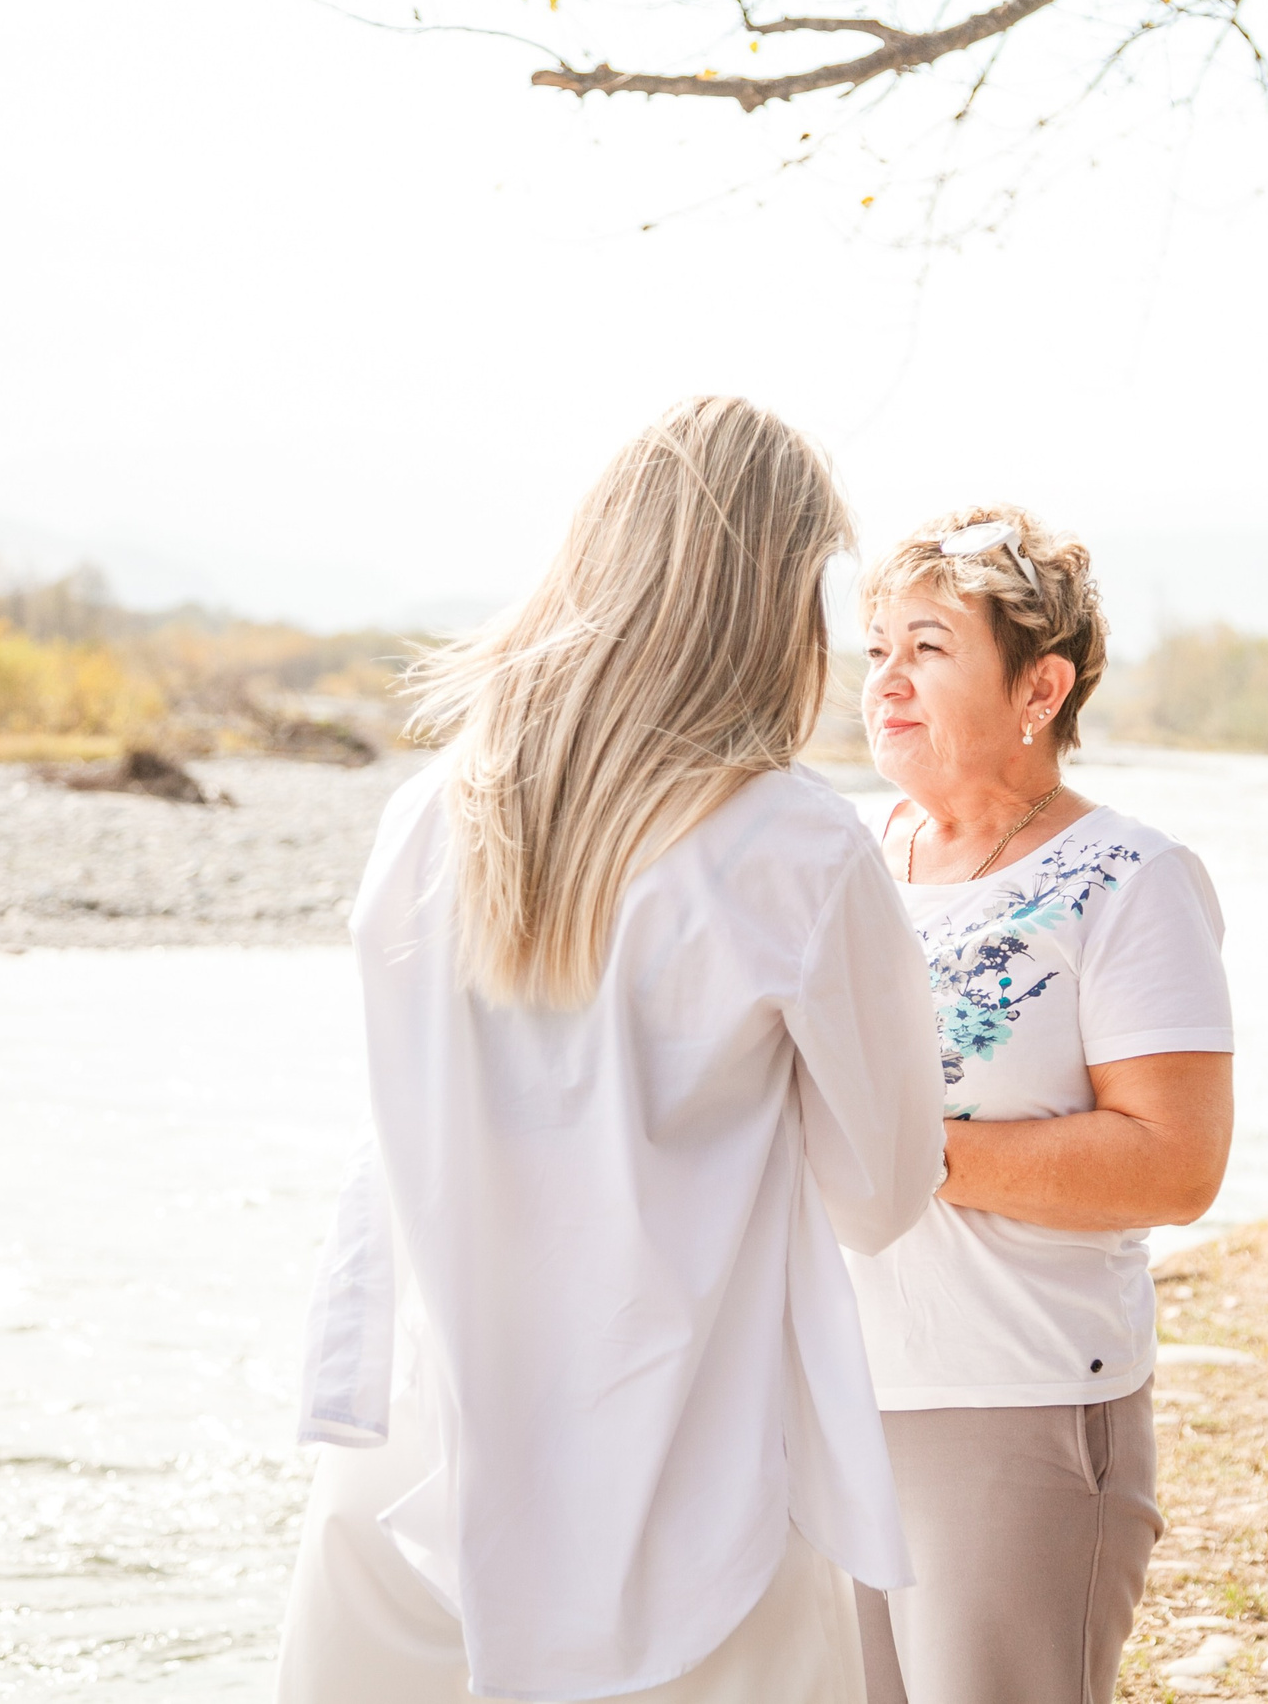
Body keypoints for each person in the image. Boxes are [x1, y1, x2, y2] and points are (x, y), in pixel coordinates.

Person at [275, 397, 948, 1704]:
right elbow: (882, 1194)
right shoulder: (794, 843)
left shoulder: (431, 812)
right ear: (777, 599)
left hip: (412, 1471)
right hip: (692, 1492)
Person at [848, 507, 1237, 1704]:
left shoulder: (1128, 880)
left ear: (1041, 686)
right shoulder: (846, 861)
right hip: (824, 1396)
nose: (886, 682)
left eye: (927, 646)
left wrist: (903, 1157)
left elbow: (1173, 1165)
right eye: (874, 650)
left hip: (1013, 1406)